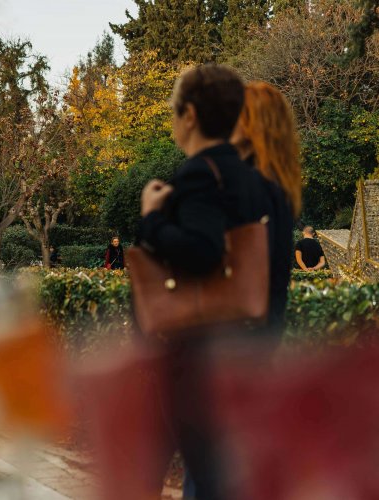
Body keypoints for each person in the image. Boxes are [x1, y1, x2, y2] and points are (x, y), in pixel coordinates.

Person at [137, 64, 281, 500]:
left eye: (173, 110)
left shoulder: (200, 174)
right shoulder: (258, 182)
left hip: (198, 355)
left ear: (192, 116)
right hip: (247, 344)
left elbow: (201, 251)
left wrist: (152, 219)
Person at [232, 80, 302, 334]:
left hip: (242, 336)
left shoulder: (254, 184)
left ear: (254, 124)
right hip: (263, 327)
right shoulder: (276, 182)